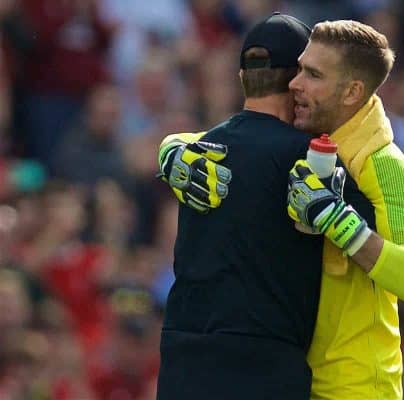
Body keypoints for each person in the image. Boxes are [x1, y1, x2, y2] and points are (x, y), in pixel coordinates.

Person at [161, 18, 404, 400]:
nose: (294, 83)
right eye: (299, 68)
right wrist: (173, 149)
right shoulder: (309, 138)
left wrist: (341, 223)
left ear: (352, 91)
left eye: (313, 74)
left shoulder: (383, 163)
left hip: (353, 387)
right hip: (294, 379)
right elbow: (244, 135)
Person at [155, 13, 327, 399]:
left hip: (185, 360)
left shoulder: (195, 152)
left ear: (242, 78)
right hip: (264, 362)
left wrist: (167, 148)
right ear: (296, 81)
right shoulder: (309, 158)